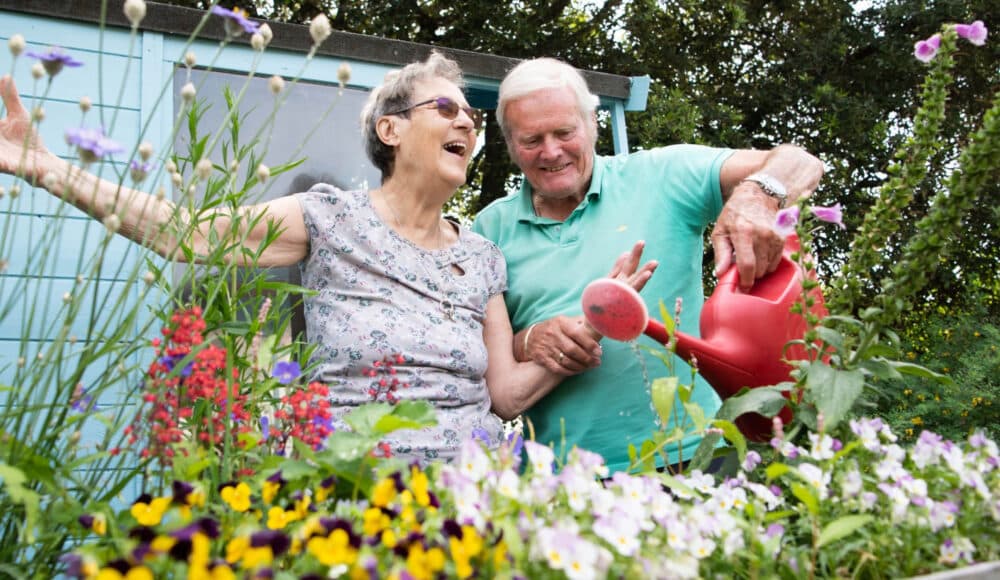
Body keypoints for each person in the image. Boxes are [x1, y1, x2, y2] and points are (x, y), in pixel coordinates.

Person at [0, 53, 651, 464]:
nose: (467, 126)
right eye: (447, 109)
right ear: (390, 129)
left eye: (474, 120)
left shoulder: (483, 256)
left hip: (475, 497)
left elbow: (507, 396)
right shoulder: (330, 217)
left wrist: (595, 320)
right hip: (357, 484)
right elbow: (188, 234)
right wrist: (50, 169)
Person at [472, 57, 825, 473]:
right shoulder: (488, 229)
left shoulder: (663, 174)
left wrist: (757, 197)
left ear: (592, 124)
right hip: (565, 478)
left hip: (697, 456)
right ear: (510, 145)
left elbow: (801, 162)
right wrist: (529, 340)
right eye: (531, 139)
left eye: (565, 132)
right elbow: (489, 355)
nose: (551, 151)